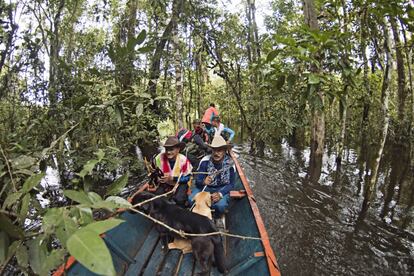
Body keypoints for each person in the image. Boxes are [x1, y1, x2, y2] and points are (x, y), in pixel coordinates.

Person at [189, 136, 235, 218]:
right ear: (212, 150)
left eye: (219, 150)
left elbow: (231, 184)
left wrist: (220, 194)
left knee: (220, 206)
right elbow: (197, 181)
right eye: (214, 150)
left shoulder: (230, 164)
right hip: (205, 188)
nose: (216, 153)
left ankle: (217, 217)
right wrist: (203, 181)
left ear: (224, 151)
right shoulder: (205, 161)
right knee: (191, 200)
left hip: (221, 188)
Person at [154, 136, 193, 207]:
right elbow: (157, 171)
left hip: (180, 183)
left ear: (178, 149)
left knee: (179, 199)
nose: (168, 152)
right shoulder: (160, 158)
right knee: (157, 196)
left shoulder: (183, 160)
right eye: (166, 149)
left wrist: (173, 178)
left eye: (171, 149)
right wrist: (158, 178)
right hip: (165, 183)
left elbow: (187, 178)